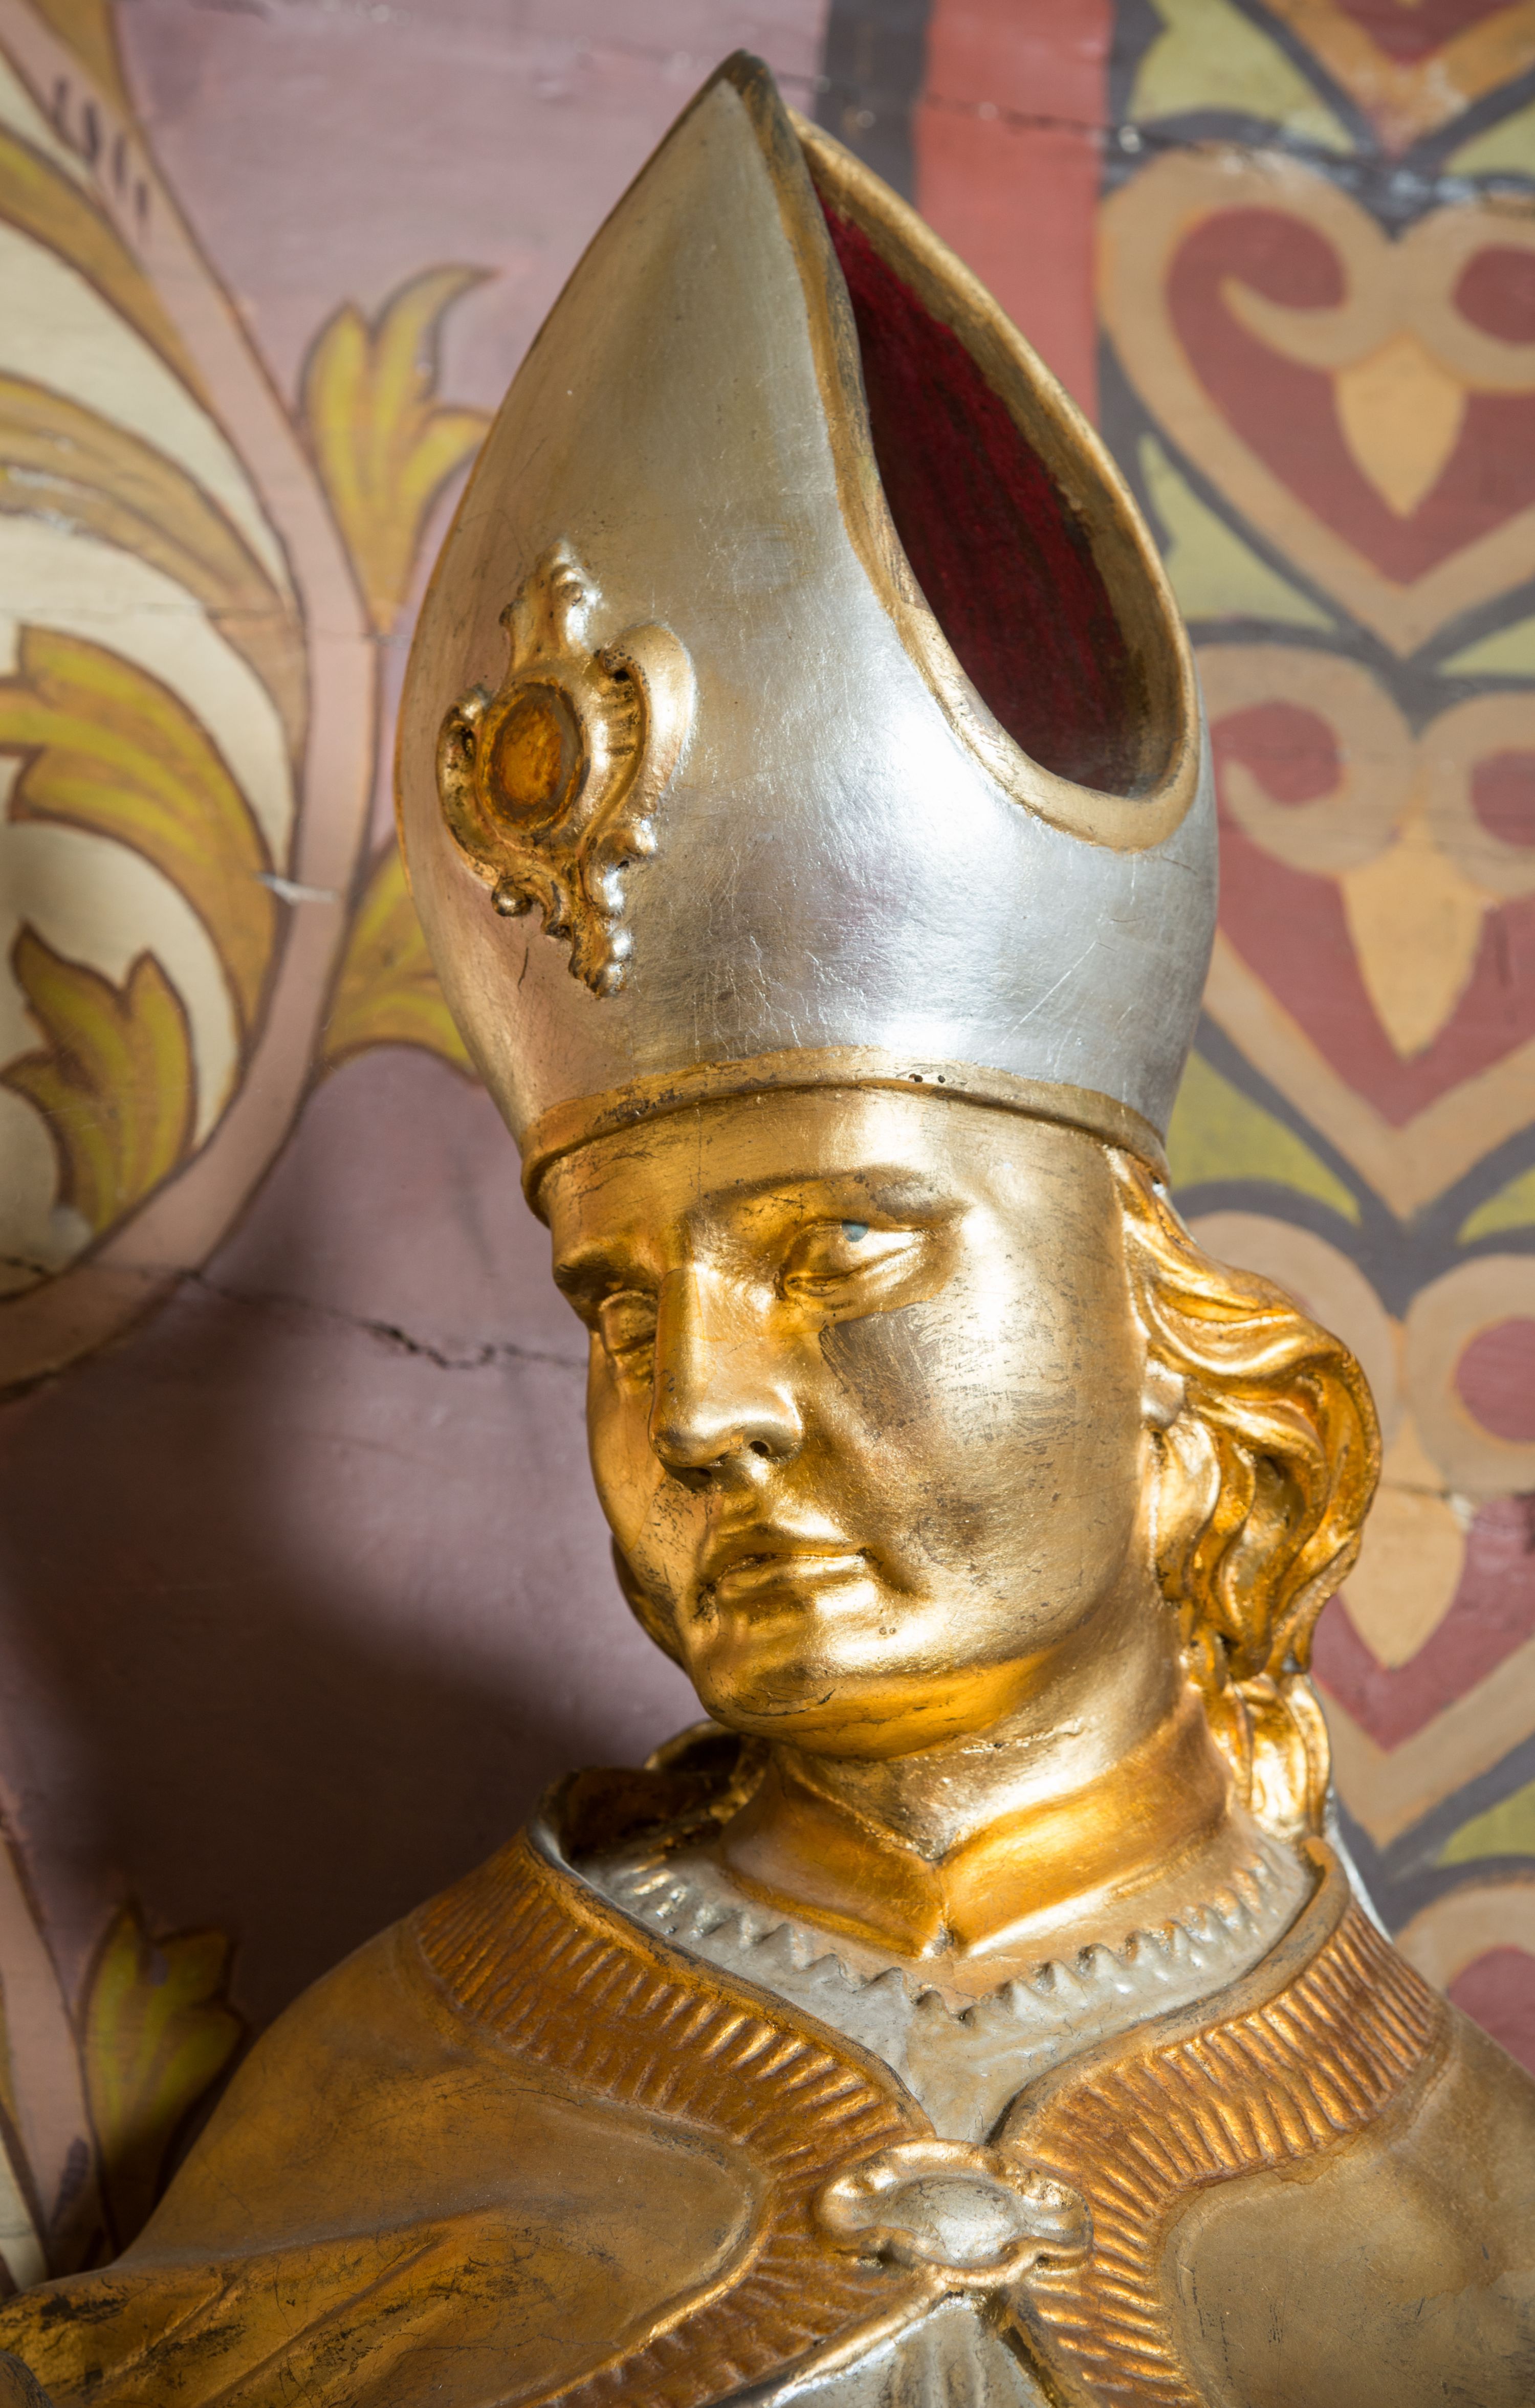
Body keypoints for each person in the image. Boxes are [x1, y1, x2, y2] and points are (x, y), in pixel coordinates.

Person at [3, 51, 1531, 2408]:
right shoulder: (392, 2097)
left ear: (1159, 1339)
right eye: (621, 1307)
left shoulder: (1474, 2202)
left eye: (839, 1259)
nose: (699, 1407)